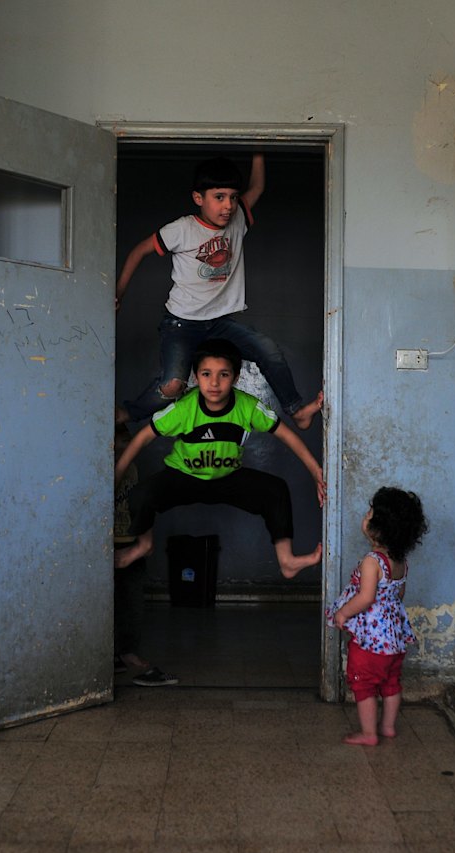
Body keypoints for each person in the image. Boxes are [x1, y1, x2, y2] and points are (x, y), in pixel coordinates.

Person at [116, 153, 322, 430]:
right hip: (181, 323)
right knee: (172, 385)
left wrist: (259, 150)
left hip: (219, 323)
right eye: (219, 197)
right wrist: (118, 294)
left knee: (269, 351)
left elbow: (257, 187)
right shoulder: (182, 229)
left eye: (234, 197)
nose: (228, 206)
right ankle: (127, 414)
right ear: (198, 198)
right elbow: (139, 251)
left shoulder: (237, 220)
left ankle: (296, 410)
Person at [114, 339, 326, 579]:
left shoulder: (248, 407)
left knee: (275, 490)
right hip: (184, 477)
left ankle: (287, 561)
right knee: (141, 495)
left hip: (228, 478)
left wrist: (316, 471)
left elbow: (288, 436)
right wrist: (116, 477)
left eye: (223, 375)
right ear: (196, 377)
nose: (214, 383)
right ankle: (144, 545)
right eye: (206, 374)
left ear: (235, 378)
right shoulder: (184, 408)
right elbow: (142, 438)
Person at [326, 487, 428, 746]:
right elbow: (398, 593)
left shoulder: (372, 561)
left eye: (370, 512)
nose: (366, 515)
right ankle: (388, 726)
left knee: (364, 685)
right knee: (391, 682)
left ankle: (369, 733)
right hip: (394, 639)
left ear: (378, 527)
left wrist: (342, 613)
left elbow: (366, 597)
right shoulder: (400, 561)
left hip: (370, 642)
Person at [114, 424, 178, 687]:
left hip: (129, 539)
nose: (126, 446)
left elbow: (138, 504)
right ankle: (109, 653)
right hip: (108, 542)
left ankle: (127, 651)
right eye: (121, 441)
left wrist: (141, 539)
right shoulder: (98, 468)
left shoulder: (132, 469)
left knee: (132, 602)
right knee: (109, 601)